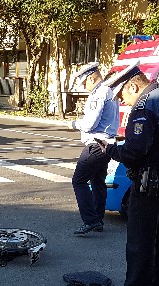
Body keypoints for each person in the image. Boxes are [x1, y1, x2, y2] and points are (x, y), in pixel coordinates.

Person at [98, 61, 159, 286]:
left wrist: (110, 149)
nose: (123, 102)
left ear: (133, 86)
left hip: (152, 179)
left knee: (140, 238)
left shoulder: (145, 105)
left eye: (122, 95)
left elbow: (136, 152)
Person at [67, 62, 119, 235]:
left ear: (91, 78)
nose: (84, 86)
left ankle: (90, 220)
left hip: (96, 144)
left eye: (84, 83)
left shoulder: (100, 93)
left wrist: (74, 124)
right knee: (98, 182)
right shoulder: (109, 90)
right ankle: (97, 219)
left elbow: (90, 124)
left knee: (78, 181)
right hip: (106, 144)